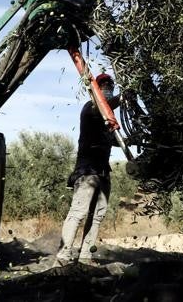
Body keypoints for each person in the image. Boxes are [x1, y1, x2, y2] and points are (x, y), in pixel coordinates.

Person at [56, 73, 120, 266]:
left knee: (97, 216)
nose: (108, 87)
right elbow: (102, 106)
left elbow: (115, 140)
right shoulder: (90, 109)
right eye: (104, 85)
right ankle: (63, 256)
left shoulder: (107, 120)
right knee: (78, 212)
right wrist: (123, 98)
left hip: (102, 173)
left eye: (110, 84)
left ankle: (85, 257)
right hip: (87, 173)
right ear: (96, 89)